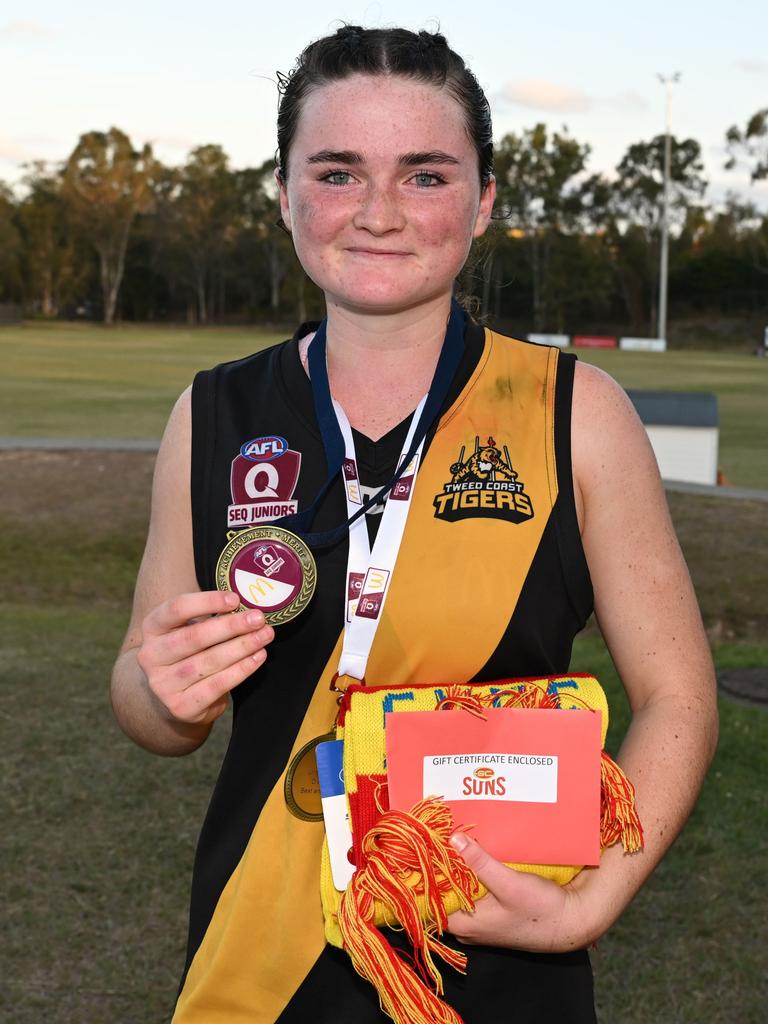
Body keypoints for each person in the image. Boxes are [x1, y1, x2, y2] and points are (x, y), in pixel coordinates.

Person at [110, 25, 719, 1024]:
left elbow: (681, 696)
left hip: (500, 941)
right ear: (285, 194)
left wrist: (589, 903)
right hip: (259, 961)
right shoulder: (211, 414)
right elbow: (145, 696)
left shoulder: (578, 411)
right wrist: (162, 689)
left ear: (483, 201)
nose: (381, 211)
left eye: (425, 174)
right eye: (339, 171)